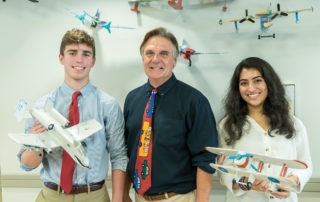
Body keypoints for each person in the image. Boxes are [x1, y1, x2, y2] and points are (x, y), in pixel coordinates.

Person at [17, 28, 128, 202]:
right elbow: (25, 165)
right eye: (72, 52)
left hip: (95, 195)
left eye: (86, 54)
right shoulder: (41, 107)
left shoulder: (108, 105)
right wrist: (36, 143)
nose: (79, 59)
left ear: (93, 61)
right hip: (52, 195)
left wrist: (118, 199)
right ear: (61, 58)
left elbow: (119, 156)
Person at [123, 27, 218, 202]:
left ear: (174, 60)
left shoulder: (194, 102)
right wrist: (123, 194)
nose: (155, 59)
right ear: (143, 58)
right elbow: (129, 151)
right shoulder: (132, 99)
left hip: (177, 198)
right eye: (149, 53)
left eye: (164, 54)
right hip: (139, 197)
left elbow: (205, 158)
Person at [218, 57, 312, 202]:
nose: (251, 88)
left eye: (257, 80)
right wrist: (247, 183)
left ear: (269, 83)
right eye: (244, 83)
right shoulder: (228, 126)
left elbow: (305, 165)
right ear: (238, 89)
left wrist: (291, 182)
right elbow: (224, 171)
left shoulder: (293, 124)